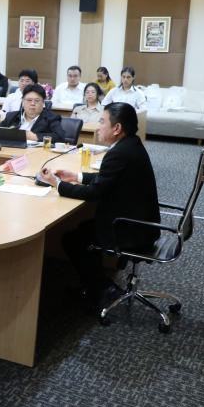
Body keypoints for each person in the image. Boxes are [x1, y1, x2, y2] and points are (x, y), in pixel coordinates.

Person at [38, 103, 159, 310]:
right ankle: (96, 284)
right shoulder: (130, 144)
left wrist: (57, 184)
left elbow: (95, 193)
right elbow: (108, 179)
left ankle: (100, 289)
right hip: (139, 220)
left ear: (117, 128)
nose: (98, 127)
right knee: (81, 230)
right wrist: (76, 176)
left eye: (102, 122)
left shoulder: (119, 153)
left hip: (131, 229)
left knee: (73, 239)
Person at [0, 84, 66, 142]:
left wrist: (35, 137)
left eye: (37, 101)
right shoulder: (12, 116)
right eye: (29, 100)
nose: (32, 103)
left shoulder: (51, 118)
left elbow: (60, 137)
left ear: (43, 103)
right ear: (23, 101)